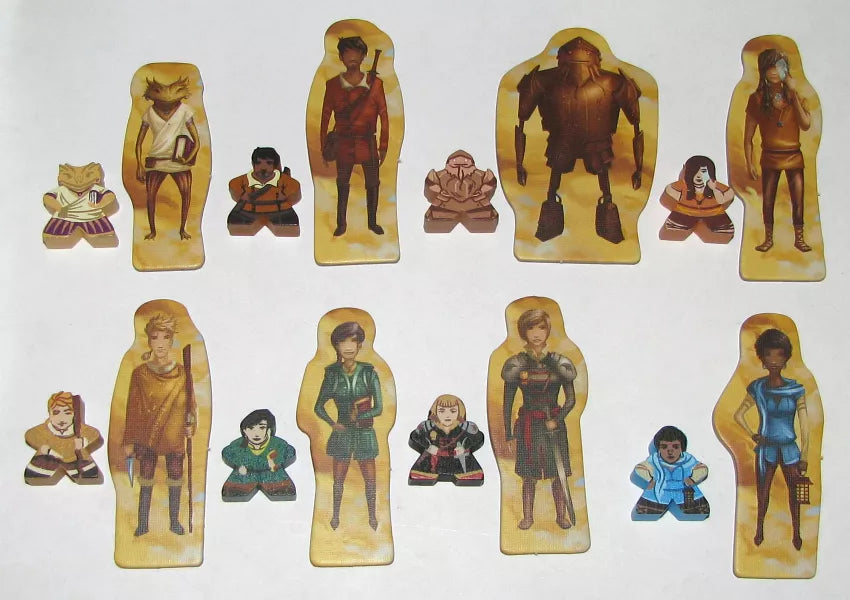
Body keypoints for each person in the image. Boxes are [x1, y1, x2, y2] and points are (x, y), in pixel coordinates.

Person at [515, 36, 643, 243]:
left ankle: (557, 216)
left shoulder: (542, 80)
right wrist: (639, 169)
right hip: (581, 143)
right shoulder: (614, 82)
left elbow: (521, 120)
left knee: (557, 186)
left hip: (570, 142)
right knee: (601, 186)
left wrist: (519, 165)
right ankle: (605, 217)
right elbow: (636, 124)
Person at [733, 328, 809, 550]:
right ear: (762, 358)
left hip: (789, 449)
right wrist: (753, 435)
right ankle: (759, 531)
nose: (774, 360)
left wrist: (804, 456)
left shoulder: (796, 389)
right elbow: (738, 415)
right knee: (762, 494)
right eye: (769, 354)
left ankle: (797, 534)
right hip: (766, 448)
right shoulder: (758, 388)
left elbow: (805, 425)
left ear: (786, 357)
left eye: (779, 354)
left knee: (795, 494)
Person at [502, 309, 578, 530]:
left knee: (558, 473)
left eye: (541, 328)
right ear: (523, 331)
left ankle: (561, 516)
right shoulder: (516, 364)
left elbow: (571, 399)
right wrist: (509, 433)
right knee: (529, 475)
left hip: (554, 425)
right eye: (531, 328)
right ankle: (528, 517)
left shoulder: (560, 363)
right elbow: (507, 403)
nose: (536, 333)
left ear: (548, 330)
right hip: (529, 426)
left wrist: (558, 419)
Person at [122, 313, 196, 536]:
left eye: (165, 337)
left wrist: (191, 423)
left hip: (174, 434)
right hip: (148, 435)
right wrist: (129, 440)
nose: (161, 343)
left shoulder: (183, 373)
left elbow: (190, 403)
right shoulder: (140, 374)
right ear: (149, 341)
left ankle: (174, 522)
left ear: (172, 340)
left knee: (175, 478)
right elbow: (132, 408)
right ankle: (143, 524)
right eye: (155, 338)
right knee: (146, 478)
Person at [314, 321, 383, 530]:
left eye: (353, 341)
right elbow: (318, 406)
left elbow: (379, 408)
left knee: (370, 481)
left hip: (365, 432)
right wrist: (332, 423)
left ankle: (372, 518)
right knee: (338, 481)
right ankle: (335, 517)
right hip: (342, 433)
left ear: (360, 344)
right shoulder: (332, 373)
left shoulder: (369, 373)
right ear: (336, 345)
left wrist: (361, 416)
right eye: (343, 341)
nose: (349, 346)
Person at [744, 49, 812, 252]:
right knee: (768, 200)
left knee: (798, 200)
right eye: (770, 67)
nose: (774, 71)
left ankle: (799, 238)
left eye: (778, 66)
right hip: (770, 157)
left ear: (786, 70)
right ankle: (768, 239)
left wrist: (793, 94)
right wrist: (749, 162)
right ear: (763, 70)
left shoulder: (796, 97)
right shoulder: (756, 99)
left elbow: (805, 124)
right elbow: (748, 138)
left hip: (794, 155)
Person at [320, 36, 389, 236]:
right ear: (341, 57)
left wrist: (383, 145)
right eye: (347, 53)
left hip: (368, 142)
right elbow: (325, 117)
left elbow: (384, 116)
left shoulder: (376, 85)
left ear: (363, 55)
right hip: (343, 143)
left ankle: (372, 222)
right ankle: (341, 224)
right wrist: (324, 147)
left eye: (356, 52)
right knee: (342, 183)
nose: (352, 57)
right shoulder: (333, 85)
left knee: (373, 183)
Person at [134, 76, 201, 241]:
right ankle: (153, 231)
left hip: (178, 162)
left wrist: (188, 158)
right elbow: (138, 143)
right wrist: (139, 165)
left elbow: (197, 142)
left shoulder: (184, 110)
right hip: (156, 160)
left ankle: (182, 229)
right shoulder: (149, 113)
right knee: (150, 197)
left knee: (186, 195)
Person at [25, 391, 102, 485]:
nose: (61, 418)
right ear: (49, 413)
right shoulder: (40, 432)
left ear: (74, 414)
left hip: (79, 466)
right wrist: (46, 450)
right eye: (56, 413)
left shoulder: (83, 431)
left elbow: (93, 434)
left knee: (87, 471)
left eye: (67, 413)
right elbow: (30, 435)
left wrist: (83, 442)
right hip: (44, 466)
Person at [633, 426, 709, 518]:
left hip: (686, 498)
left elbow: (702, 468)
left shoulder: (688, 461)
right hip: (658, 498)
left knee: (699, 509)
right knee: (645, 509)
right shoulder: (654, 461)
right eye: (664, 447)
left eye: (675, 447)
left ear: (682, 448)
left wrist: (693, 479)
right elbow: (640, 468)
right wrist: (650, 479)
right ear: (658, 449)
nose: (670, 451)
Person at [408, 394, 485, 485]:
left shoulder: (466, 427)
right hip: (432, 459)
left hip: (460, 460)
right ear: (435, 412)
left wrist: (464, 447)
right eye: (442, 411)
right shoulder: (427, 426)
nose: (447, 415)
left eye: (453, 411)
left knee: (472, 474)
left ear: (460, 412)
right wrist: (428, 446)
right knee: (420, 474)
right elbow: (415, 436)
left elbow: (478, 437)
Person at [221, 409, 296, 501]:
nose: (256, 434)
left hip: (274, 479)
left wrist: (275, 462)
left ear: (269, 429)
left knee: (283, 489)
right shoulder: (240, 445)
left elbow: (289, 452)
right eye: (251, 428)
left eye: (262, 428)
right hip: (243, 479)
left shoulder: (277, 444)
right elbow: (228, 453)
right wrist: (240, 465)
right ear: (244, 431)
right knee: (233, 490)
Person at [227, 147, 302, 236]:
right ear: (253, 164)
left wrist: (285, 194)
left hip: (280, 211)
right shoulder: (244, 180)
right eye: (258, 163)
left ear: (274, 165)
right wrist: (242, 194)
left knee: (289, 223)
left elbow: (294, 186)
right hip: (248, 211)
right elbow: (233, 184)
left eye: (269, 163)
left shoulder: (282, 179)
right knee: (236, 222)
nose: (263, 167)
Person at [661, 155, 735, 241]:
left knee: (725, 231)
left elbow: (725, 198)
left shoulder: (716, 187)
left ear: (710, 173)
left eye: (703, 172)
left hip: (715, 216)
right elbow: (669, 191)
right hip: (684, 215)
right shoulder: (682, 186)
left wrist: (714, 189)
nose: (698, 175)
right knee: (673, 229)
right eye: (694, 171)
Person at [42, 162, 117, 247]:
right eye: (68, 176)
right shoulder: (61, 190)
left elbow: (109, 195)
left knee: (104, 235)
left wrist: (100, 204)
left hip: (93, 218)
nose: (78, 180)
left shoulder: (96, 189)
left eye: (88, 175)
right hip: (64, 218)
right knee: (54, 235)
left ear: (97, 178)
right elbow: (47, 198)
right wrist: (59, 208)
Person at [423, 150, 498, 233]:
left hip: (476, 204)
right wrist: (439, 191)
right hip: (445, 204)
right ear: (449, 163)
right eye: (455, 162)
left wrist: (482, 190)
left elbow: (490, 182)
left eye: (465, 162)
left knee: (485, 216)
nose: (460, 166)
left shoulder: (481, 174)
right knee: (436, 217)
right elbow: (431, 183)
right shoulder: (439, 175)